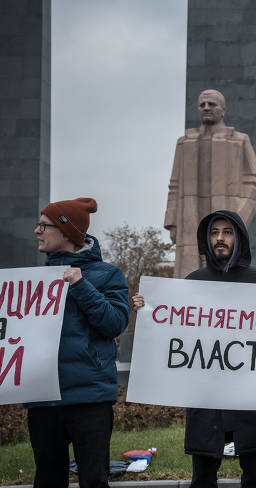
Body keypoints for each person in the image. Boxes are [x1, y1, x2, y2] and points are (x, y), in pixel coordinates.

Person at [133, 210, 256, 488]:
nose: (219, 239)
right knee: (203, 475)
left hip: (249, 396)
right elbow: (174, 331)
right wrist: (148, 309)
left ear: (239, 238)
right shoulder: (193, 282)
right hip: (206, 395)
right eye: (214, 233)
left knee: (255, 475)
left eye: (226, 232)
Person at [26, 197, 130, 488]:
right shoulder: (33, 281)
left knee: (94, 480)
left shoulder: (108, 275)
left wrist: (80, 286)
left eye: (44, 225)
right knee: (47, 480)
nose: (37, 230)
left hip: (89, 400)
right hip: (43, 399)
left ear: (67, 232)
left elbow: (114, 323)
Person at [164, 89, 256, 278]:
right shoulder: (185, 142)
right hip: (190, 214)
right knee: (190, 274)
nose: (206, 108)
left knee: (223, 270)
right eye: (202, 105)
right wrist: (172, 221)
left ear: (223, 110)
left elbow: (253, 182)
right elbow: (174, 185)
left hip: (225, 213)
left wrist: (238, 218)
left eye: (212, 104)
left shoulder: (239, 141)